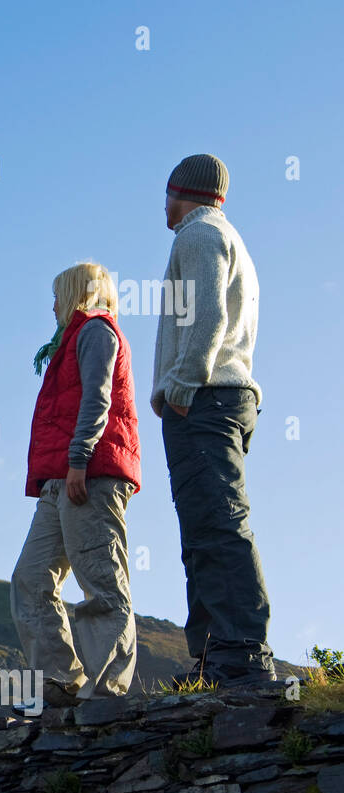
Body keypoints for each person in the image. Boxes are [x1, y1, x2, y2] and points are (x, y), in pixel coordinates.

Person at [152, 154, 275, 688]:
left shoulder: (197, 236)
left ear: (180, 192)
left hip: (205, 400)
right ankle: (213, 657)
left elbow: (208, 316)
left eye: (167, 192)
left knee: (219, 525)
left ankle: (241, 654)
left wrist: (181, 385)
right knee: (205, 528)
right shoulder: (227, 237)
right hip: (220, 400)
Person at [11, 262, 142, 712]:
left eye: (57, 295)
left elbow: (97, 398)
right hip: (60, 479)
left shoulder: (96, 332)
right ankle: (58, 680)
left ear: (75, 293)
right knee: (30, 579)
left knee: (101, 578)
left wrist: (79, 461)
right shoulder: (68, 342)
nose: (51, 306)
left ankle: (107, 688)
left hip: (87, 475)